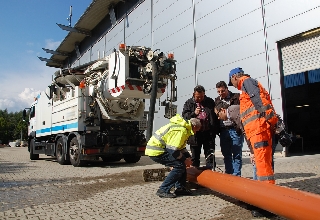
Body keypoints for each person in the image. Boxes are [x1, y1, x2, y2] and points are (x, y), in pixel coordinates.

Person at [145, 114, 202, 198]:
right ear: (193, 126)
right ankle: (163, 190)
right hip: (157, 151)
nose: (196, 132)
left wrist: (188, 157)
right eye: (196, 130)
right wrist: (185, 160)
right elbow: (173, 150)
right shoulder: (181, 130)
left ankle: (180, 188)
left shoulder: (184, 129)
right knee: (179, 166)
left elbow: (181, 147)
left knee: (181, 164)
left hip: (159, 149)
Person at [182, 85, 219, 169]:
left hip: (208, 133)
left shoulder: (209, 101)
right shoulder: (189, 103)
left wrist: (215, 130)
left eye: (202, 96)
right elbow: (184, 117)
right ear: (193, 94)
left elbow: (215, 116)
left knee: (210, 156)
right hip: (195, 135)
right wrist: (194, 113)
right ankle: (195, 176)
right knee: (195, 157)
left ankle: (211, 174)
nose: (200, 99)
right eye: (198, 97)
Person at [215, 81, 244, 176]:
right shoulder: (217, 100)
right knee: (226, 154)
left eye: (222, 91)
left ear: (227, 89)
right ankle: (229, 174)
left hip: (235, 129)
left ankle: (237, 175)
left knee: (236, 153)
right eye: (218, 92)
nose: (220, 93)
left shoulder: (236, 97)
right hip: (224, 131)